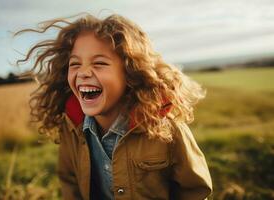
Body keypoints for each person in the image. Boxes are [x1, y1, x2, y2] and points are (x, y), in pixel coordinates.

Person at [15, 13, 212, 200]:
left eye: (99, 63)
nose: (83, 73)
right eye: (75, 64)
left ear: (130, 72)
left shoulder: (165, 127)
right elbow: (70, 181)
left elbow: (194, 191)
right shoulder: (71, 126)